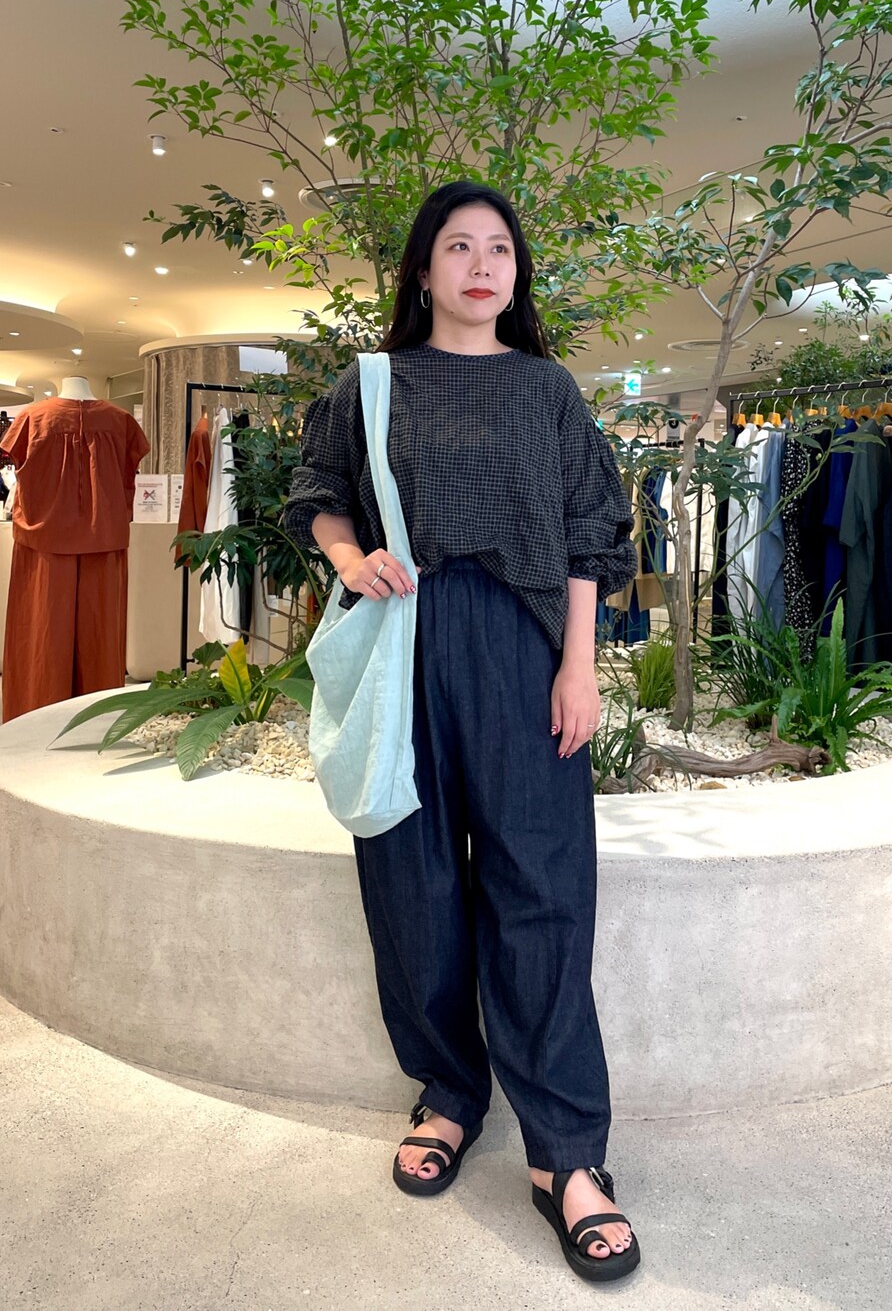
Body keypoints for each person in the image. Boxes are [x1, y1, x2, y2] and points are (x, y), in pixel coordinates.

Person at [285, 180, 640, 1283]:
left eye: (499, 249)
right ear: (423, 269)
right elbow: (318, 492)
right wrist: (350, 558)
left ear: (516, 273)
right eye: (458, 246)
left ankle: (566, 1151)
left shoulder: (546, 388)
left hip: (525, 651)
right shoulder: (372, 382)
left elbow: (590, 531)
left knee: (543, 889)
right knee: (412, 880)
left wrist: (578, 665)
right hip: (405, 641)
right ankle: (448, 1092)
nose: (482, 266)